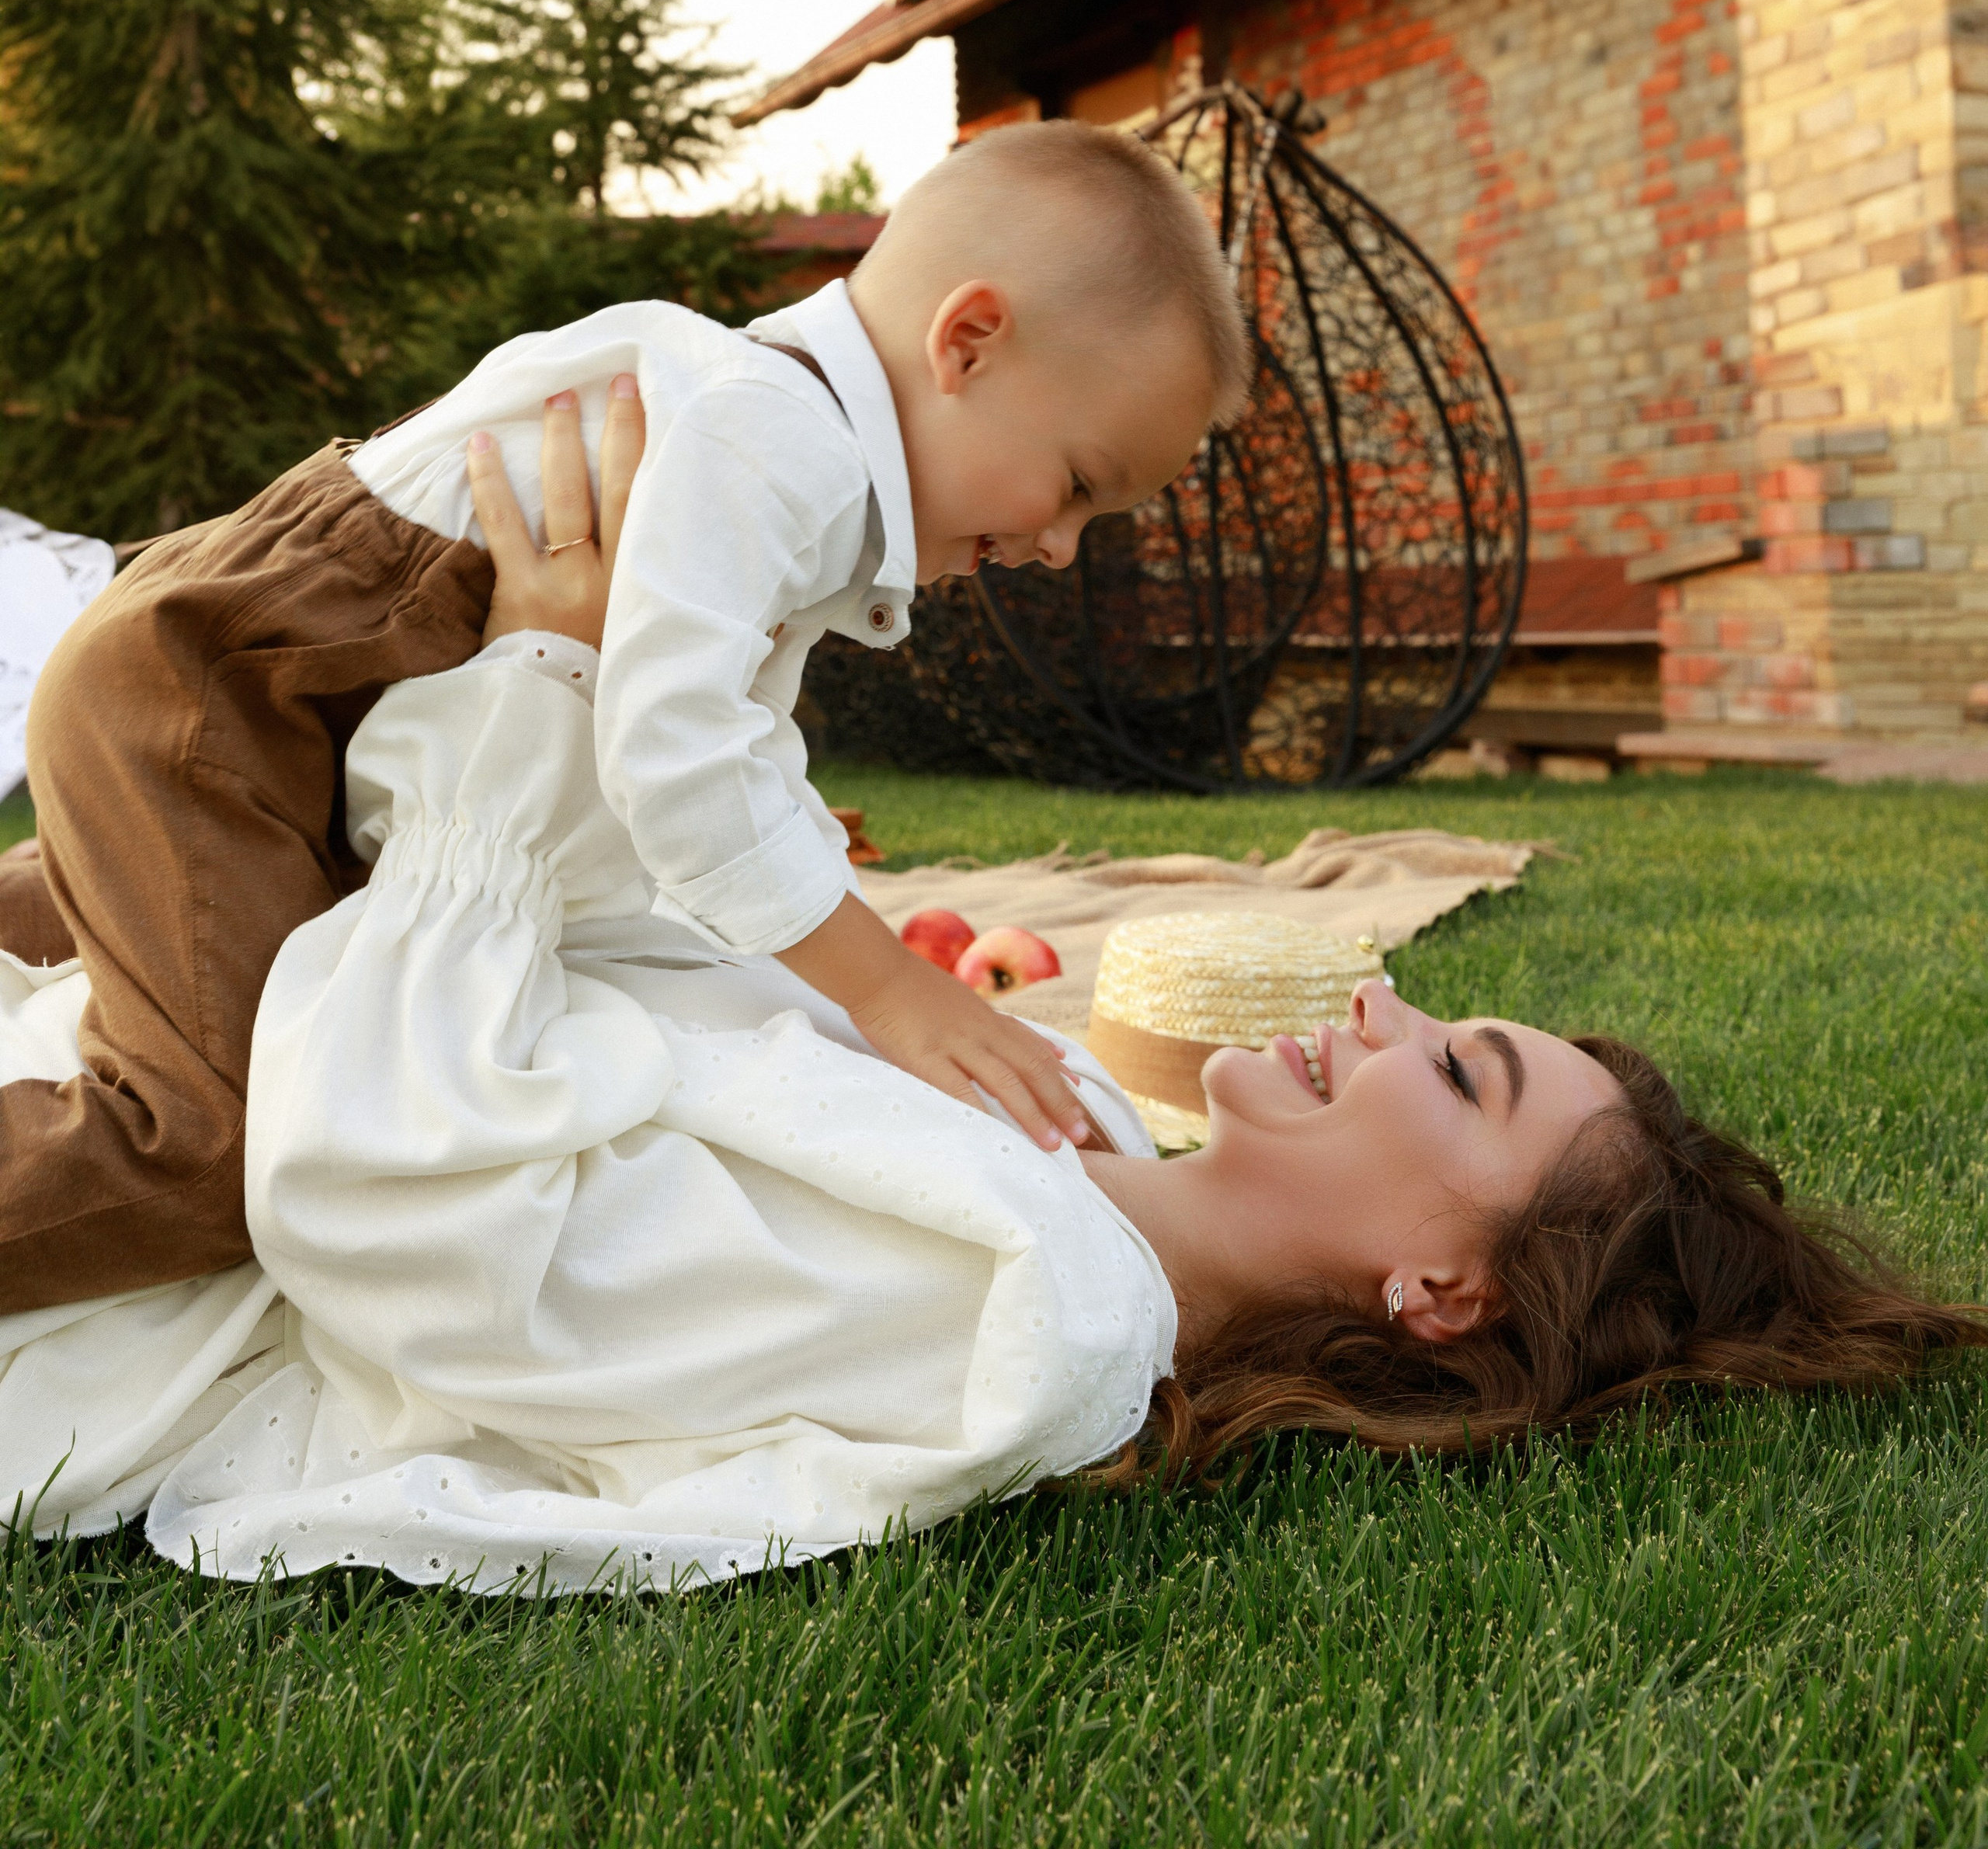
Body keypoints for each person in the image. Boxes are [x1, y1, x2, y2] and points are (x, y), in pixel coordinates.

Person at [2, 406, 1979, 1587]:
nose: (1381, 1008)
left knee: (153, 703)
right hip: (313, 1018)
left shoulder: (1024, 1309)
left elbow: (403, 1223)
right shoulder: (1079, 1133)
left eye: (1457, 1073)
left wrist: (529, 695)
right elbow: (662, 975)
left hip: (162, 1250)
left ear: (1441, 1296)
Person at [0, 120, 1249, 1313]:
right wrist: (891, 992)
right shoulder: (779, 441)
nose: (1059, 546)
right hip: (210, 702)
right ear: (966, 342)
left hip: (257, 721)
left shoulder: (761, 421)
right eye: (1080, 484)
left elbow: (728, 745)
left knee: (248, 929)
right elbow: (676, 754)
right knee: (214, 1142)